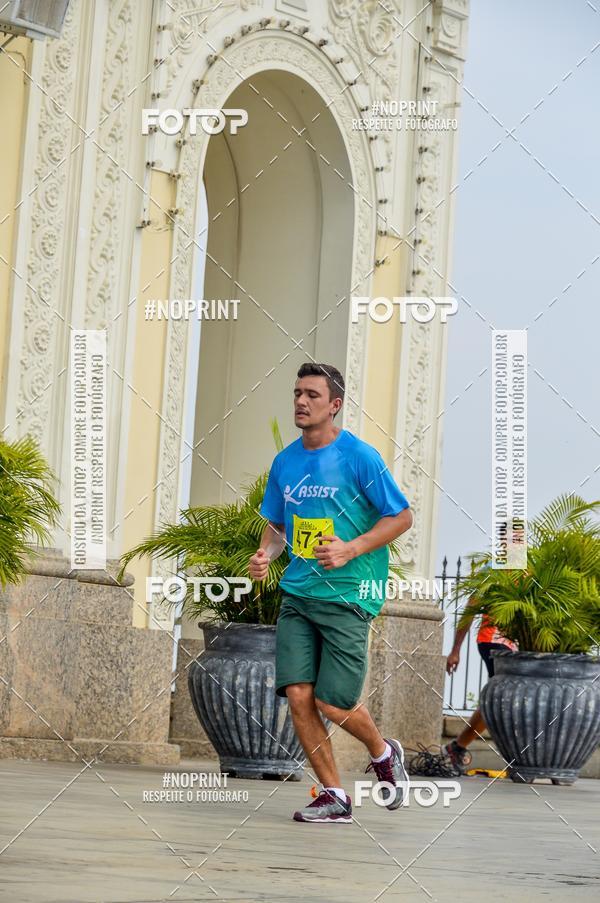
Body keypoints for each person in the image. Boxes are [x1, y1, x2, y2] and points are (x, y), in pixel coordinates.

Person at [248, 362, 413, 823]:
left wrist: (351, 548)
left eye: (312, 395)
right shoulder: (285, 462)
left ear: (334, 405)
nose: (301, 402)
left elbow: (400, 517)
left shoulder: (360, 457)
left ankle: (382, 753)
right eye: (297, 393)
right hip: (298, 594)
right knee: (299, 695)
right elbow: (277, 526)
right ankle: (334, 796)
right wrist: (265, 554)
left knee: (332, 701)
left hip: (349, 595)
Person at [443, 597, 517, 773]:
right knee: (501, 699)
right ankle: (519, 758)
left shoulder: (532, 571)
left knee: (496, 701)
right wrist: (455, 650)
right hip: (493, 641)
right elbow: (471, 609)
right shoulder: (495, 569)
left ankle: (457, 748)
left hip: (513, 644)